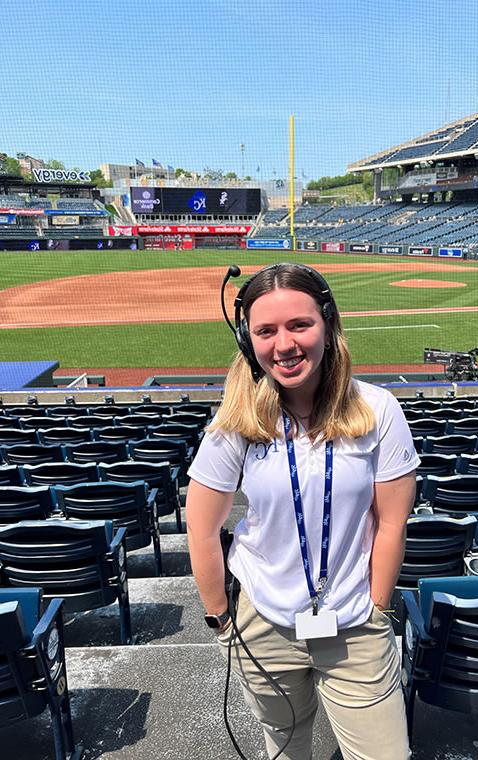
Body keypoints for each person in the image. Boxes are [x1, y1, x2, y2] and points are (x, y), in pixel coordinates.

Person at [186, 262, 420, 760]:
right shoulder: (237, 419)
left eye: (299, 325)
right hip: (262, 624)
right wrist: (221, 621)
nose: (284, 345)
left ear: (329, 325)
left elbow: (393, 521)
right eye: (265, 331)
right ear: (248, 342)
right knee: (286, 749)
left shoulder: (378, 410)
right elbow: (202, 528)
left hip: (355, 624)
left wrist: (378, 607)